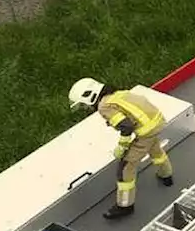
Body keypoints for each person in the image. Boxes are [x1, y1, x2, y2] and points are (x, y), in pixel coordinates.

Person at [69, 78, 174, 220]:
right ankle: (166, 175)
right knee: (155, 150)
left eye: (83, 105)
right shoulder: (118, 94)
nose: (85, 108)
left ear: (90, 96)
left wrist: (122, 146)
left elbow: (126, 126)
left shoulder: (104, 106)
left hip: (145, 131)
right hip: (157, 122)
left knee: (125, 168)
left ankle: (125, 206)